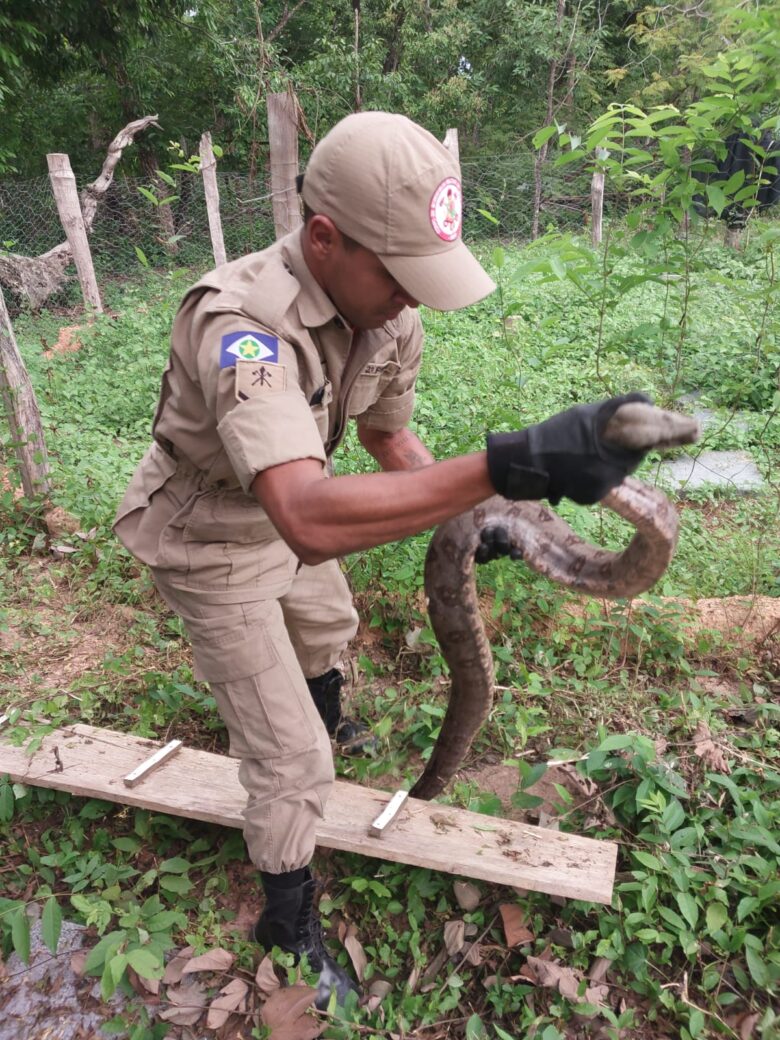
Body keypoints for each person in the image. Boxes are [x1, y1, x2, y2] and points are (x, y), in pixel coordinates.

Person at [113, 111, 648, 1009]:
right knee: (291, 767)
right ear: (324, 238)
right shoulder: (242, 324)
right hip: (212, 535)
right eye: (399, 276)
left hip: (293, 505)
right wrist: (507, 458)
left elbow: (388, 436)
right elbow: (308, 517)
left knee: (328, 622)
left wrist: (487, 509)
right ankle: (286, 919)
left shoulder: (387, 317)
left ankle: (321, 715)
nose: (412, 298)